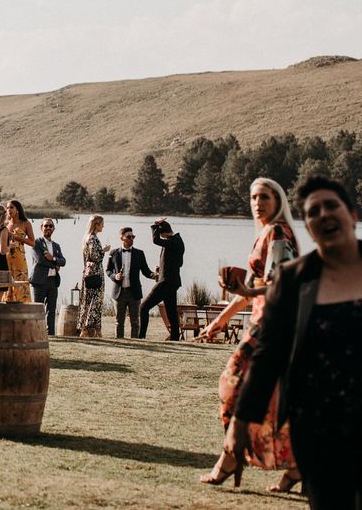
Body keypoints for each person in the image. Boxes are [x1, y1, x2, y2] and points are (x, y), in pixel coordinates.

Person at [225, 176, 362, 508]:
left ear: (353, 215)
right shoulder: (294, 279)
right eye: (313, 211)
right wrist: (241, 423)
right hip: (318, 427)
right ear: (309, 227)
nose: (324, 215)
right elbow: (269, 355)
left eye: (332, 205)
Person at [198, 178, 301, 491]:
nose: (258, 203)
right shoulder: (267, 233)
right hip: (263, 323)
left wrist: (245, 288)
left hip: (271, 326)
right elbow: (250, 292)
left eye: (265, 197)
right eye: (254, 197)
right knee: (271, 400)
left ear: (278, 200)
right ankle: (299, 466)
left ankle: (230, 458)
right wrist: (219, 321)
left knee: (232, 388)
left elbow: (281, 285)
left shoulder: (278, 232)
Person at [138, 218, 184, 340]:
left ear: (163, 233)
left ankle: (141, 336)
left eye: (160, 234)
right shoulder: (176, 241)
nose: (161, 238)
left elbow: (155, 240)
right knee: (171, 312)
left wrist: (155, 225)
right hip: (173, 281)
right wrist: (162, 267)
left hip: (166, 281)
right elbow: (179, 263)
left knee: (143, 307)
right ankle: (175, 338)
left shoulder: (173, 241)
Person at [106, 227, 154, 338]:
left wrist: (156, 275)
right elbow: (108, 270)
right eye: (129, 237)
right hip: (119, 293)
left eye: (133, 237)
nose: (131, 239)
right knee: (119, 321)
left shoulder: (139, 253)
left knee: (135, 322)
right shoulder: (113, 253)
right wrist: (115, 276)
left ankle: (135, 344)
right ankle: (120, 344)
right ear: (121, 238)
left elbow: (146, 271)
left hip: (134, 293)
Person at [30, 218, 67, 335]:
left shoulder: (56, 246)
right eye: (46, 226)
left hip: (53, 281)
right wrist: (54, 265)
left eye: (51, 226)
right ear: (41, 228)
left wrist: (54, 259)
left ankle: (51, 334)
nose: (48, 228)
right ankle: (36, 333)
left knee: (51, 310)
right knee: (37, 309)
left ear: (54, 229)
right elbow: (40, 260)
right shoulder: (36, 243)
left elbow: (63, 261)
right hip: (39, 281)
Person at [77, 215, 110, 338]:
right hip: (95, 273)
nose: (103, 226)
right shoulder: (93, 239)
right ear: (96, 224)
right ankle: (86, 328)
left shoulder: (86, 238)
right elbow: (95, 256)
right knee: (95, 301)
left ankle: (96, 329)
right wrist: (104, 250)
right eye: (102, 224)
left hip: (88, 272)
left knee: (88, 299)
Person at [3, 199, 35, 303]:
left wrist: (17, 238)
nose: (9, 210)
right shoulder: (5, 223)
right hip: (6, 256)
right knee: (6, 282)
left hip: (19, 257)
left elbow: (32, 242)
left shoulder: (26, 223)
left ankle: (23, 307)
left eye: (11, 207)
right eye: (7, 208)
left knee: (20, 282)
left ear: (18, 210)